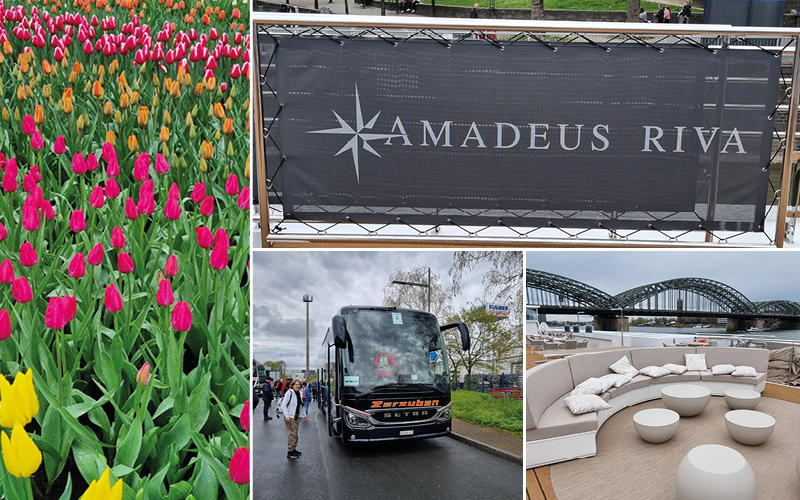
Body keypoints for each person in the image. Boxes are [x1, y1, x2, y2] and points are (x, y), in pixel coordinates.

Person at [279, 379, 308, 459]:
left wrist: (304, 415)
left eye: (299, 384)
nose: (297, 386)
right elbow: (284, 405)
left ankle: (294, 448)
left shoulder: (300, 393)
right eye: (296, 384)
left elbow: (301, 405)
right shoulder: (289, 393)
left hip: (297, 415)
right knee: (292, 433)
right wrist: (286, 415)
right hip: (290, 416)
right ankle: (290, 451)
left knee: (296, 433)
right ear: (292, 385)